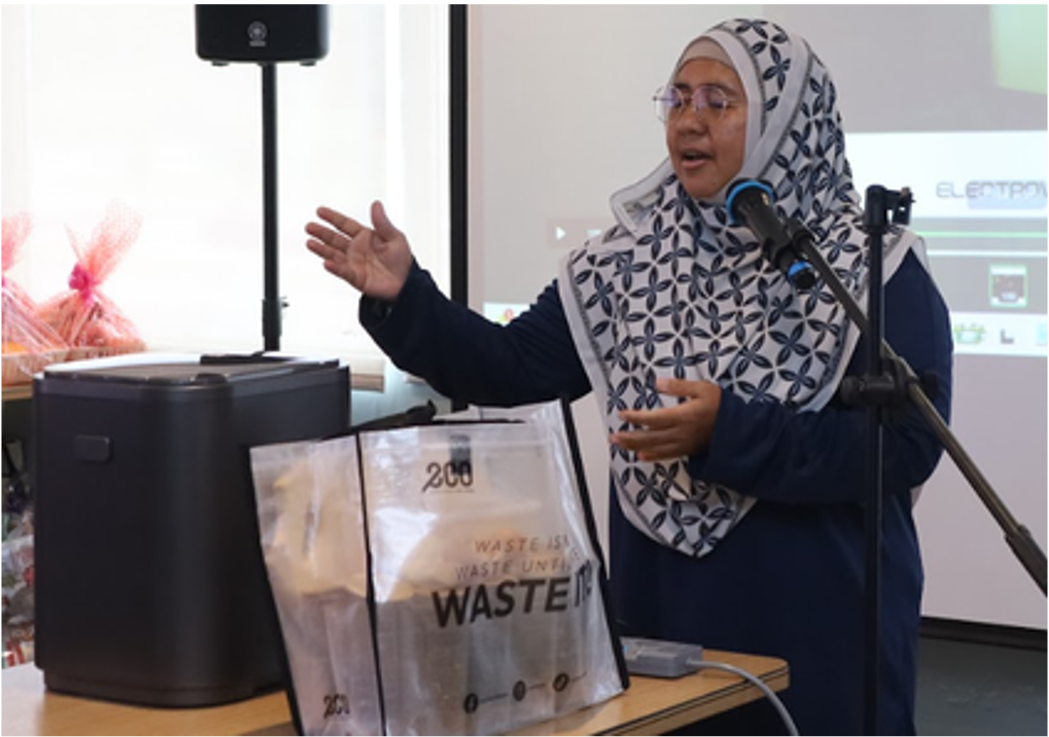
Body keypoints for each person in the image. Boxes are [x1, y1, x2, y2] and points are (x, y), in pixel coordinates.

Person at [304, 17, 953, 737]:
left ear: (787, 122)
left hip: (820, 634)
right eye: (677, 98)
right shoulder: (626, 261)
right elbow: (513, 367)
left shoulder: (870, 267)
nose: (689, 120)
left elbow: (907, 445)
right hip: (667, 626)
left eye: (718, 100)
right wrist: (407, 298)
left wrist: (728, 432)